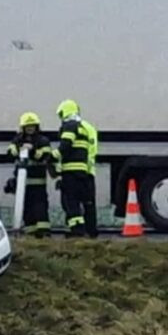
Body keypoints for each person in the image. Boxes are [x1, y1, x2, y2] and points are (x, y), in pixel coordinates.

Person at [3, 111, 57, 236]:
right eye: (28, 126)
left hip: (38, 182)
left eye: (32, 126)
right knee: (27, 210)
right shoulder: (17, 140)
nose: (30, 128)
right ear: (23, 128)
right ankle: (31, 236)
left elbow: (45, 156)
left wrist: (31, 151)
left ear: (37, 127)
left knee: (40, 208)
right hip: (23, 184)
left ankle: (44, 233)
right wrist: (18, 149)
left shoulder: (43, 140)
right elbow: (10, 152)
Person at [55, 99, 99, 238]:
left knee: (71, 202)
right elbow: (92, 149)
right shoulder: (87, 128)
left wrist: (54, 159)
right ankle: (91, 232)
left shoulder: (70, 126)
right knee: (88, 204)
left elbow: (66, 147)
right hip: (88, 171)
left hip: (72, 171)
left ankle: (77, 232)